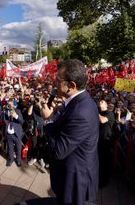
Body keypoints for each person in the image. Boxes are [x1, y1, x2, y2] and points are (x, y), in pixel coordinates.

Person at [41, 59, 99, 205]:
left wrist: (48, 120)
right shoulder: (79, 101)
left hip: (75, 183)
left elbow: (59, 150)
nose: (54, 82)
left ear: (71, 85)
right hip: (71, 174)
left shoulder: (81, 112)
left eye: (58, 79)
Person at [4, 98, 24, 167]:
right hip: (9, 133)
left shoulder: (18, 111)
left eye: (11, 104)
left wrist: (16, 116)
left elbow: (22, 121)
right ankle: (11, 159)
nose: (9, 105)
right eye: (8, 104)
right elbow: (4, 120)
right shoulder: (6, 111)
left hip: (16, 133)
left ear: (14, 105)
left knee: (18, 148)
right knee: (10, 147)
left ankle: (18, 160)